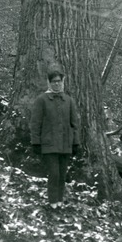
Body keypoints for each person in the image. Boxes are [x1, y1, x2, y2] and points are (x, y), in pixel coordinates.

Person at [30, 70, 80, 209]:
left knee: (63, 175)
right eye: (54, 82)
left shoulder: (68, 101)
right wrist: (36, 142)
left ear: (63, 83)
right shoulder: (42, 100)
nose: (57, 84)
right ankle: (52, 202)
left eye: (59, 81)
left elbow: (74, 124)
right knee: (54, 174)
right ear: (49, 83)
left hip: (65, 144)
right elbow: (35, 123)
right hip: (49, 143)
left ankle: (59, 201)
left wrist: (76, 142)